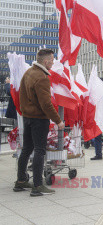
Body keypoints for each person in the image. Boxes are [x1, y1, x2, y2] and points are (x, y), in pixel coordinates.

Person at [14, 49, 65, 196]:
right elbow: (46, 104)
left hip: (27, 117)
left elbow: (22, 96)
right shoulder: (42, 77)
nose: (53, 62)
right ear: (46, 61)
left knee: (26, 149)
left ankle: (21, 181)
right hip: (39, 119)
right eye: (52, 60)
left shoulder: (28, 72)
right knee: (40, 150)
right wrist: (58, 120)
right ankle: (37, 185)